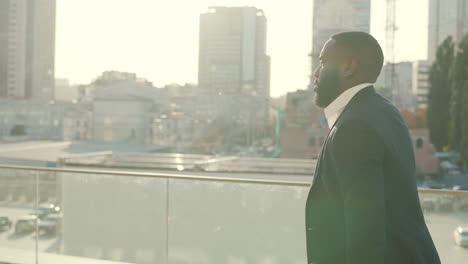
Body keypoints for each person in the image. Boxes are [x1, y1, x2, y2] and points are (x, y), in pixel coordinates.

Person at [305, 31, 440, 264]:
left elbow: (365, 235)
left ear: (349, 67)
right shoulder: (385, 112)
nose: (315, 74)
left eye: (323, 63)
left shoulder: (354, 127)